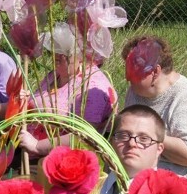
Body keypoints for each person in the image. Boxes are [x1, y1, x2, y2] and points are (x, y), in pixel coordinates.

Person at [122, 35, 187, 194]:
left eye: (134, 70)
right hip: (142, 179)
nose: (128, 78)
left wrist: (148, 135)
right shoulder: (135, 91)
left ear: (155, 72)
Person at [18, 22, 118, 157]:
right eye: (53, 54)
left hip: (63, 163)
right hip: (29, 155)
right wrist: (25, 101)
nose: (55, 59)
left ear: (83, 55)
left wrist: (37, 146)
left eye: (63, 55)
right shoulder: (56, 75)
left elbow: (85, 136)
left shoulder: (94, 88)